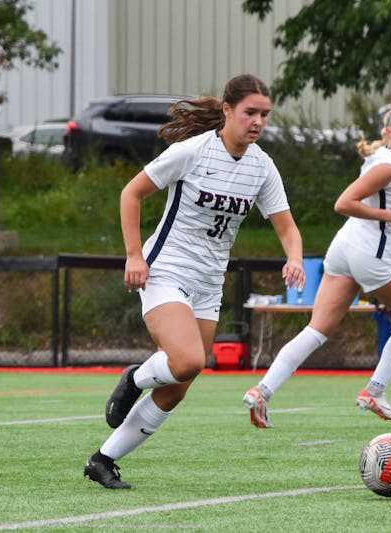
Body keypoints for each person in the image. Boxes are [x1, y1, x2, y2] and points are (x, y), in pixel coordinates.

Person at [83, 74, 306, 489]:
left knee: (179, 386)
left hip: (208, 283)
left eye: (264, 114)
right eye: (249, 112)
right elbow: (130, 194)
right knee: (187, 361)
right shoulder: (192, 151)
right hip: (165, 269)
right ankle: (134, 378)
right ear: (227, 111)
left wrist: (294, 257)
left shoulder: (261, 166)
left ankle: (103, 459)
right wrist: (134, 256)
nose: (257, 122)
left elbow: (288, 228)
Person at [242, 102, 391, 428]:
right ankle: (374, 391)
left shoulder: (389, 162)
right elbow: (344, 203)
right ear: (389, 131)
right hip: (370, 254)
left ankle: (262, 390)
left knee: (317, 329)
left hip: (344, 249)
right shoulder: (389, 165)